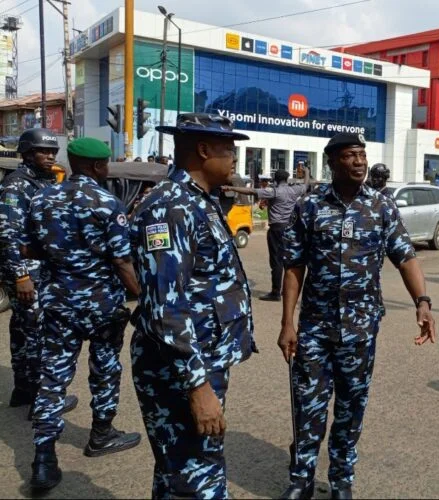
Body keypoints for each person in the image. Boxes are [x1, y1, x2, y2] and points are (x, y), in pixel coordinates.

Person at [278, 132, 436, 500]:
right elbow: (294, 266)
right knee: (308, 405)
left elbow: (405, 257)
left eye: (362, 155)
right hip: (315, 327)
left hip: (360, 328)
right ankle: (301, 479)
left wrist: (423, 301)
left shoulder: (381, 206)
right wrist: (287, 322)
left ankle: (341, 480)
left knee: (351, 407)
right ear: (332, 162)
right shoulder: (310, 206)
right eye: (350, 156)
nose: (359, 162)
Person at [129, 114, 256, 498]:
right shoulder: (170, 208)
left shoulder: (199, 201)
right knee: (197, 479)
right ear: (203, 150)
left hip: (199, 360)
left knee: (180, 475)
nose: (234, 158)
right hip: (180, 370)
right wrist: (197, 386)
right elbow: (165, 308)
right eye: (228, 150)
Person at [23, 137, 143, 490]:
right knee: (105, 367)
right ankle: (101, 434)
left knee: (53, 375)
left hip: (58, 303)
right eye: (105, 164)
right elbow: (122, 261)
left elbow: (30, 248)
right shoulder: (107, 203)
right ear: (96, 166)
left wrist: (61, 256)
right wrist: (143, 298)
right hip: (101, 305)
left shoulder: (42, 198)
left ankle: (43, 458)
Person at [0, 129, 77, 416]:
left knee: (23, 330)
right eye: (43, 151)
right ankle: (40, 400)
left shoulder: (43, 181)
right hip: (26, 270)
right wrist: (21, 276)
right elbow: (7, 234)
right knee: (37, 333)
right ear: (27, 154)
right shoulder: (16, 185)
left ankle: (23, 389)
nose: (50, 156)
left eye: (53, 151)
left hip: (38, 269)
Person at [223, 166, 310, 301]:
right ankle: (287, 291)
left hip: (276, 229)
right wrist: (307, 172)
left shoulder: (274, 191)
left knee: (276, 261)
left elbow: (251, 191)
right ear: (287, 179)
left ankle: (275, 292)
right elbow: (306, 184)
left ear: (275, 179)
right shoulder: (294, 190)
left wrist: (231, 188)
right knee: (289, 261)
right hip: (291, 228)